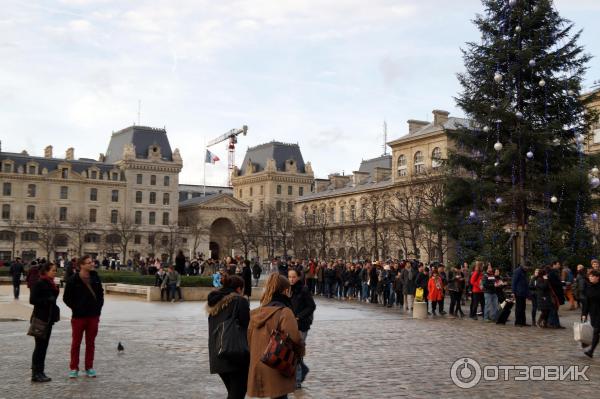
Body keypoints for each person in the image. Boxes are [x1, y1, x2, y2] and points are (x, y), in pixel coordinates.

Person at [247, 274, 304, 399]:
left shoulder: (256, 313)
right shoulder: (284, 311)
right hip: (277, 364)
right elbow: (295, 338)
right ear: (285, 291)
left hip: (259, 363)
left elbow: (249, 339)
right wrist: (300, 352)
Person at [207, 274, 250, 398]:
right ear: (238, 289)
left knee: (233, 392)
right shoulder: (239, 301)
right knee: (238, 393)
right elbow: (246, 325)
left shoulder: (214, 302)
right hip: (235, 353)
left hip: (218, 354)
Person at [63, 255, 104, 378]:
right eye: (89, 262)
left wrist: (98, 308)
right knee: (76, 343)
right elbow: (66, 298)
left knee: (90, 343)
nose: (92, 264)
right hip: (79, 316)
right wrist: (76, 308)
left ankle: (89, 367)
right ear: (81, 265)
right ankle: (74, 368)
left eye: (92, 262)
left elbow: (101, 294)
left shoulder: (95, 277)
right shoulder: (72, 280)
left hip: (93, 315)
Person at [29, 262, 60, 382]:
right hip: (40, 319)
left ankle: (40, 372)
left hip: (48, 319)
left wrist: (55, 291)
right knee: (40, 347)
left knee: (43, 347)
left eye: (55, 270)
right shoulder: (40, 282)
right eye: (53, 270)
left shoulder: (50, 283)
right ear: (46, 271)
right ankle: (36, 373)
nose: (55, 272)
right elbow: (32, 300)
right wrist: (47, 300)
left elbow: (53, 299)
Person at [288, 268, 316, 389]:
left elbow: (312, 306)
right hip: (290, 325)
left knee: (297, 352)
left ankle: (297, 380)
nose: (291, 279)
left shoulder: (303, 290)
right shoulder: (287, 290)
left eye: (293, 277)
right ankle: (302, 370)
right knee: (291, 352)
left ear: (298, 277)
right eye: (289, 277)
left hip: (301, 325)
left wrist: (299, 317)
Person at [581, 270, 600, 358]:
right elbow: (586, 302)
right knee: (596, 331)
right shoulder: (588, 287)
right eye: (590, 276)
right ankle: (590, 349)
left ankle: (591, 350)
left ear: (597, 277)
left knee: (596, 331)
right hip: (593, 313)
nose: (590, 278)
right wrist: (584, 314)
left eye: (592, 276)